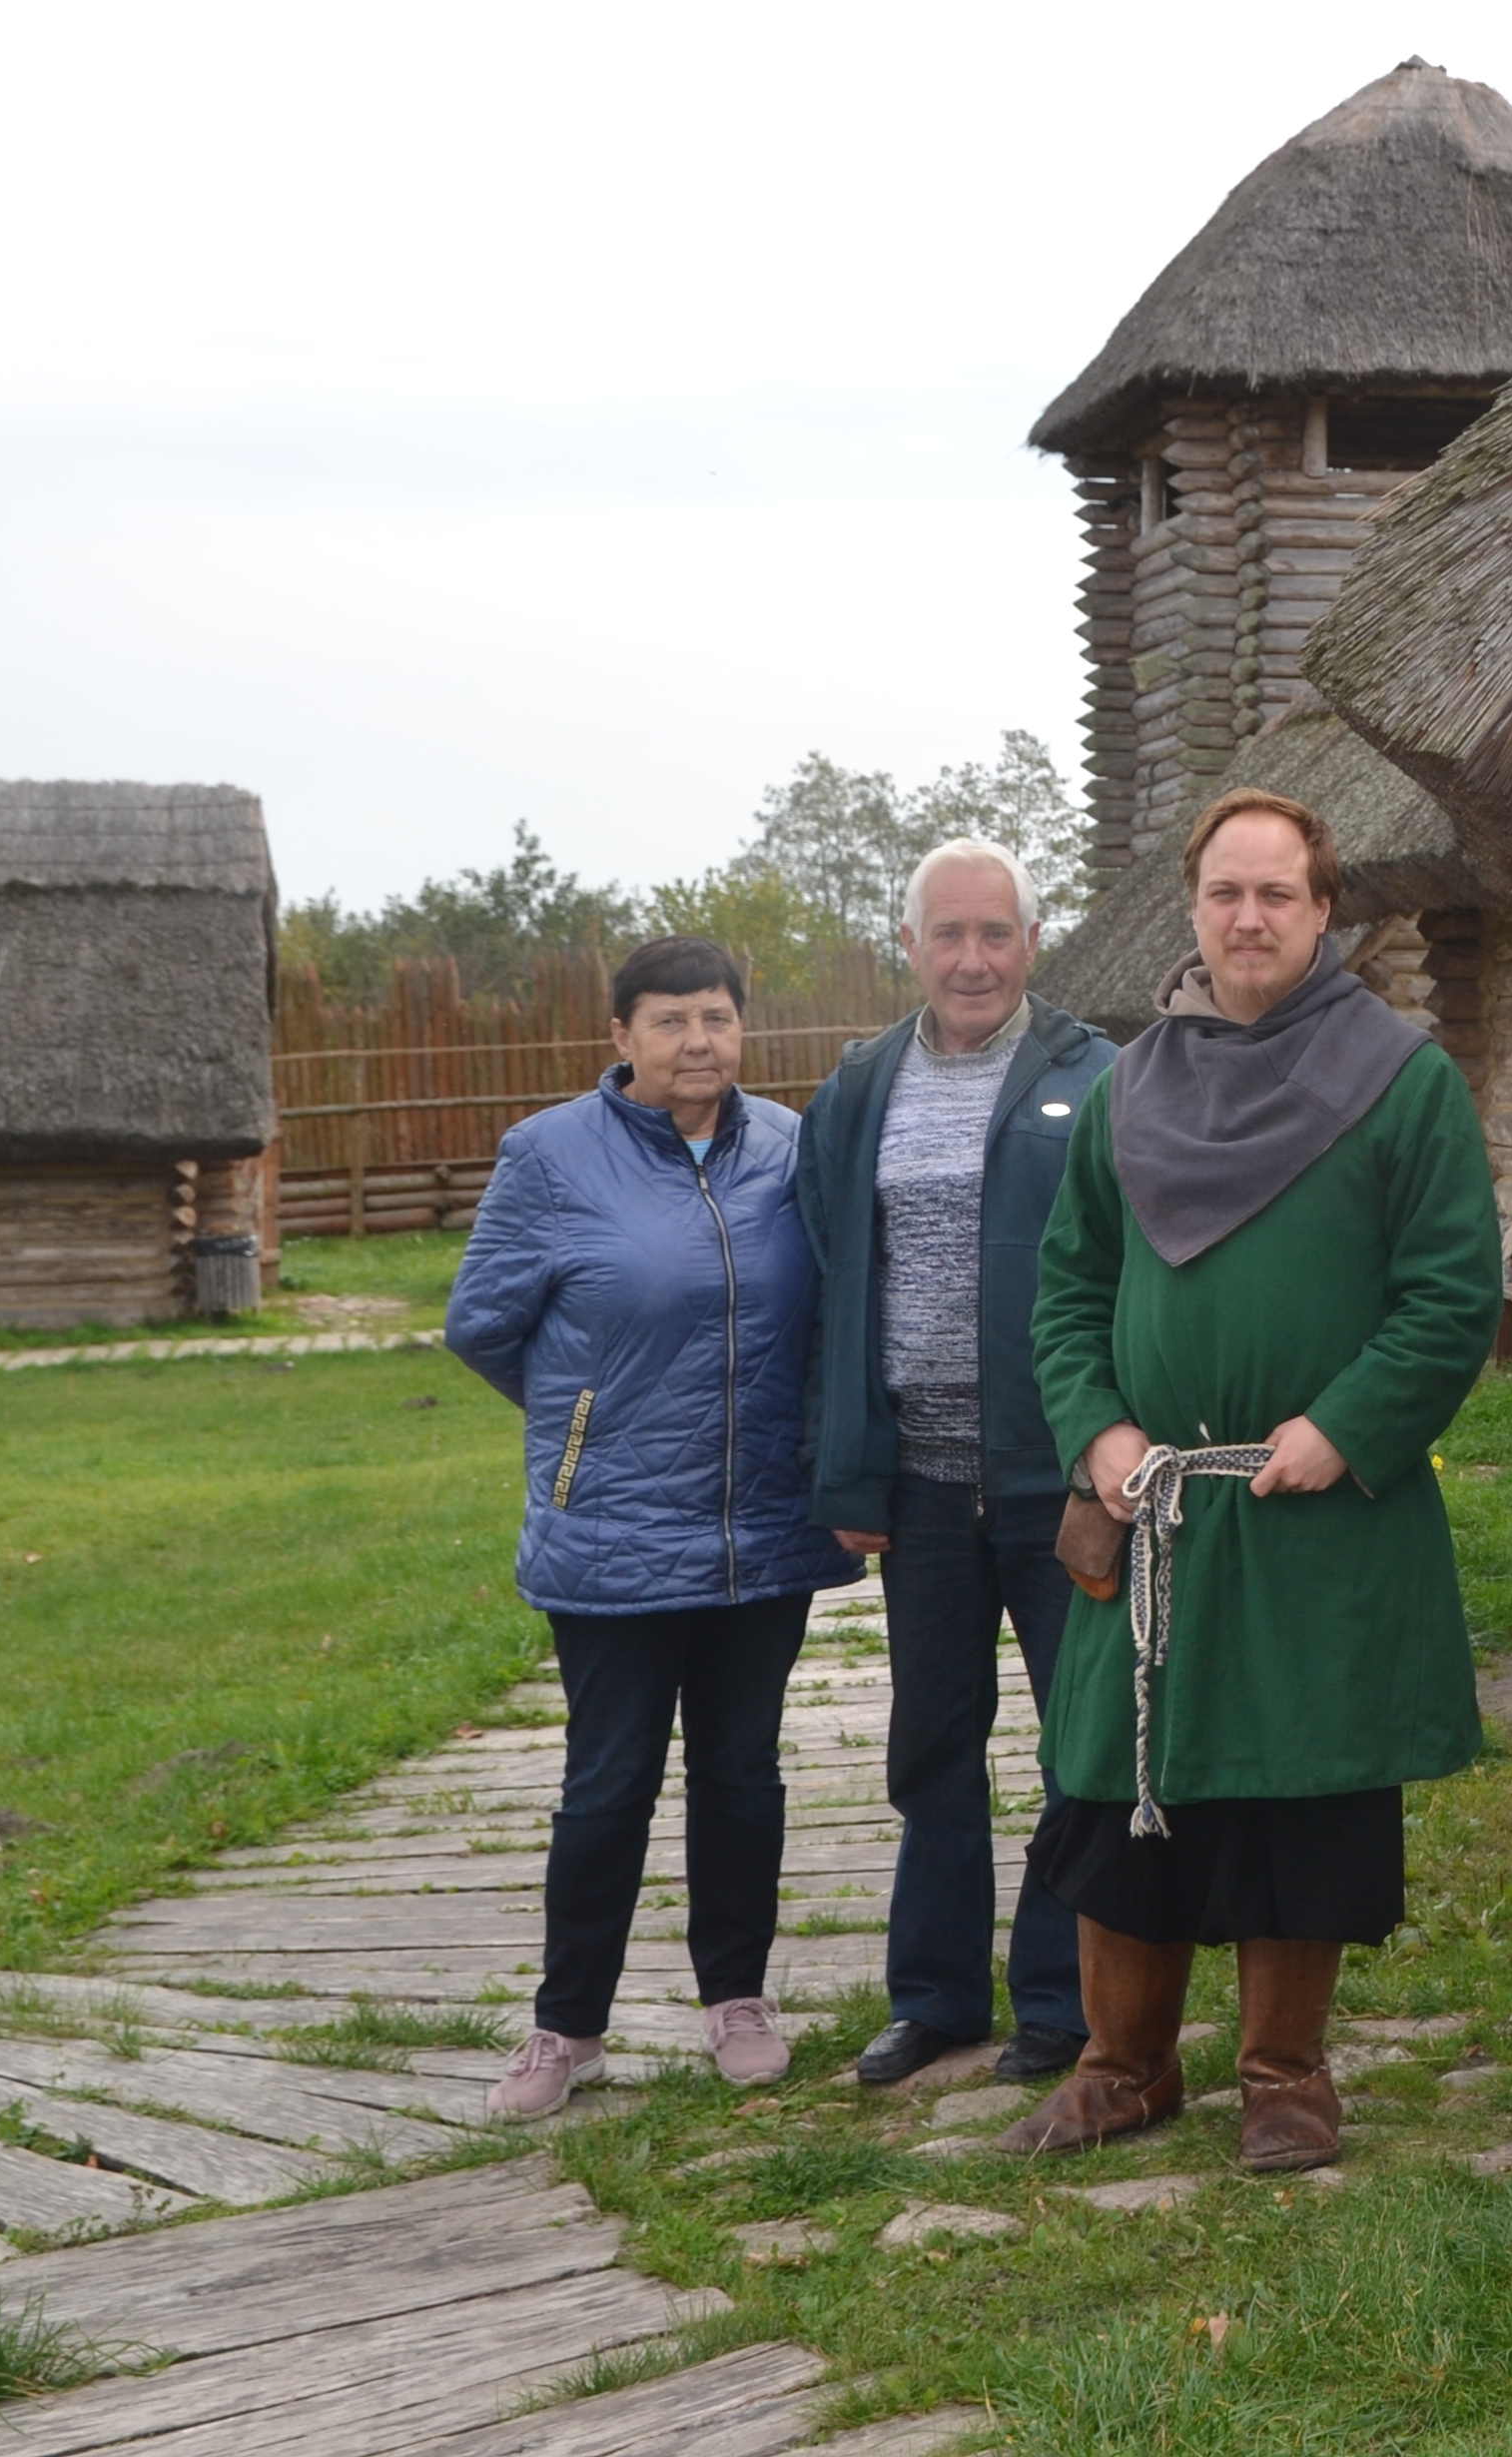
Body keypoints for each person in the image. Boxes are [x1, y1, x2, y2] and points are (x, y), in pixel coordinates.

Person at [1002, 788, 1501, 2173]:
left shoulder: (1400, 1080)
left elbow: (1452, 1293)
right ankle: (1123, 2071)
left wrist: (1347, 1424)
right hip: (1155, 1502)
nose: (1250, 916)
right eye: (1226, 891)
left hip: (1306, 1506)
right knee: (1123, 1786)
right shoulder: (1126, 1090)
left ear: (1325, 909)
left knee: (1301, 1798)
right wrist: (1096, 1431)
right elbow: (1068, 1292)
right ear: (1194, 905)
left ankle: (1286, 2079)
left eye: (1279, 892)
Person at [446, 933, 857, 2119]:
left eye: (717, 1017)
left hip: (761, 1528)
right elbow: (482, 1324)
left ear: (743, 1028)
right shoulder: (549, 1155)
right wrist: (587, 1425)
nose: (697, 1041)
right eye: (671, 1021)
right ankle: (568, 2028)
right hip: (613, 1536)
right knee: (607, 1783)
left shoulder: (790, 1147)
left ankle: (738, 2000)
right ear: (622, 1035)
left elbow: (828, 1310)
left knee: (741, 1773)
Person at [799, 837, 1115, 2091]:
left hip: (1057, 1480)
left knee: (1076, 1743)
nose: (973, 959)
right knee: (931, 1746)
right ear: (911, 946)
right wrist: (848, 1470)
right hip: (921, 1489)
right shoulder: (861, 1084)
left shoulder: (1097, 1075)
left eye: (996, 934)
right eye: (949, 934)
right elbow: (831, 1281)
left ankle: (1059, 1999)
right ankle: (933, 1998)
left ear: (1032, 942)